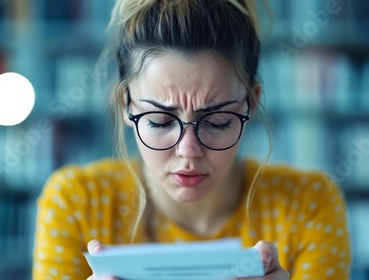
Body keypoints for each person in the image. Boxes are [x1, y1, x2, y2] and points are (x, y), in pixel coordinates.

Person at [32, 0, 351, 279]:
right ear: (126, 104)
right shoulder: (76, 201)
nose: (189, 152)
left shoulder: (309, 204)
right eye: (159, 121)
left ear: (251, 103)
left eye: (217, 121)